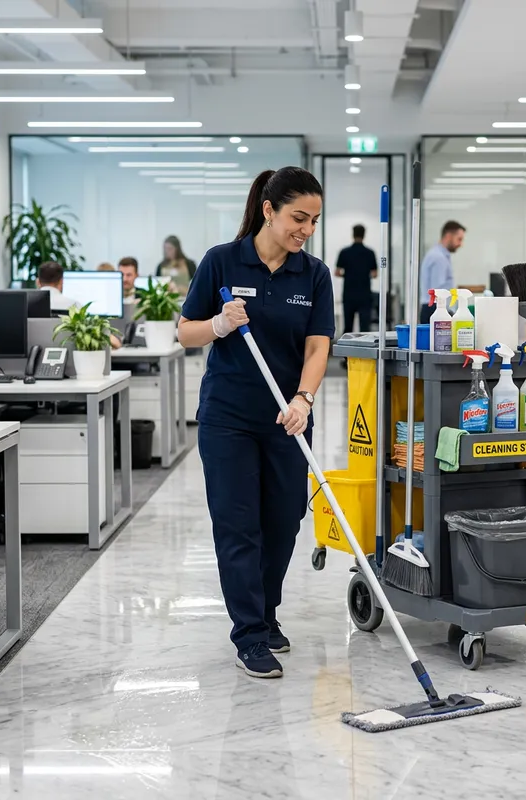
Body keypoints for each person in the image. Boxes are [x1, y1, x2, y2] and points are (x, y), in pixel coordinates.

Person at [177, 167, 334, 680]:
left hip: (287, 418)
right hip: (228, 418)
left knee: (285, 520)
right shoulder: (221, 262)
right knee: (238, 523)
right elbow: (186, 333)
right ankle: (249, 632)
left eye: (313, 220)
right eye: (297, 217)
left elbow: (317, 346)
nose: (306, 229)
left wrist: (304, 398)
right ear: (269, 210)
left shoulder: (312, 273)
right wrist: (219, 324)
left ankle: (265, 612)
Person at [419, 221, 466, 324]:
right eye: (459, 239)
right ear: (449, 236)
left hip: (434, 309)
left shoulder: (439, 255)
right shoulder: (438, 257)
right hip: (436, 309)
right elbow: (438, 292)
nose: (461, 244)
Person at [336, 224, 377, 333]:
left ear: (353, 234)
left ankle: (346, 349)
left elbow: (337, 272)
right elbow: (374, 274)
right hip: (365, 294)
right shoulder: (370, 253)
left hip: (349, 294)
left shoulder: (344, 252)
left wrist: (348, 275)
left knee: (348, 327)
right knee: (365, 328)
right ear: (364, 235)